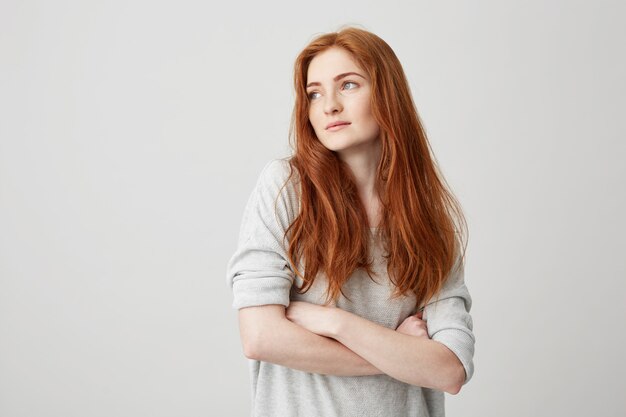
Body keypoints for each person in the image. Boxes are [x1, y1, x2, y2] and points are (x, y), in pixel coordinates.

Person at [226, 26, 475, 417]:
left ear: (387, 95)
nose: (329, 106)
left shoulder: (428, 218)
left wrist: (333, 322)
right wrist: (397, 351)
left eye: (349, 85)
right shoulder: (286, 188)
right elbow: (260, 337)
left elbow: (449, 369)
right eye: (314, 93)